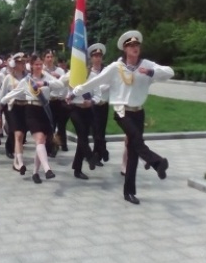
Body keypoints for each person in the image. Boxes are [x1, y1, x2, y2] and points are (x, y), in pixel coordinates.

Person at [71, 30, 174, 204]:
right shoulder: (115, 68)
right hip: (122, 111)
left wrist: (150, 73)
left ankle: (129, 192)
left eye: (137, 45)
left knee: (133, 151)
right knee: (135, 139)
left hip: (138, 112)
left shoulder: (146, 65)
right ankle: (156, 161)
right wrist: (76, 91)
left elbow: (169, 72)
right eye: (131, 45)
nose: (135, 48)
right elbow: (95, 81)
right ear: (125, 49)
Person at [1, 53, 64, 184]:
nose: (39, 66)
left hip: (45, 110)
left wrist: (45, 83)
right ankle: (47, 169)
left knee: (41, 142)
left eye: (40, 64)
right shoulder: (26, 81)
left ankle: (35, 172)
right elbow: (13, 93)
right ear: (32, 66)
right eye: (36, 64)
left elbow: (60, 84)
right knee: (39, 139)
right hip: (31, 111)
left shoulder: (47, 77)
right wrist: (3, 102)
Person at [0, 53, 28, 170]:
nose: (23, 65)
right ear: (15, 65)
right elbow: (2, 94)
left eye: (24, 63)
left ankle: (16, 161)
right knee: (17, 133)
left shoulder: (28, 77)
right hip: (12, 108)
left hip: (26, 108)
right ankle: (19, 161)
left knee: (21, 136)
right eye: (20, 63)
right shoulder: (8, 78)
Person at [87, 43, 110, 166]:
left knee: (101, 130)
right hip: (93, 105)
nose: (97, 58)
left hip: (104, 104)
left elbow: (110, 84)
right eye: (95, 56)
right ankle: (100, 151)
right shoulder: (88, 73)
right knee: (95, 130)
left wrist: (98, 87)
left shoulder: (106, 71)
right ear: (91, 58)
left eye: (99, 55)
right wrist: (101, 87)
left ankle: (98, 154)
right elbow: (88, 89)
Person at [43, 49, 69, 152]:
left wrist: (58, 78)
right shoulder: (43, 71)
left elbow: (64, 85)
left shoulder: (60, 71)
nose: (49, 59)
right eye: (47, 57)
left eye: (51, 57)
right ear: (44, 59)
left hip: (59, 100)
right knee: (50, 125)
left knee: (61, 124)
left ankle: (63, 144)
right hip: (49, 101)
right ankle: (50, 146)